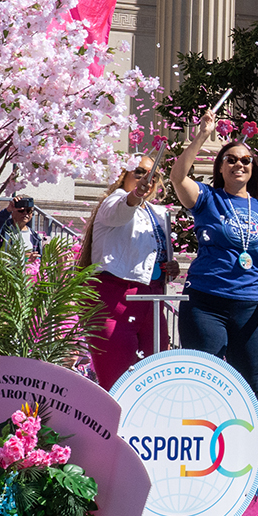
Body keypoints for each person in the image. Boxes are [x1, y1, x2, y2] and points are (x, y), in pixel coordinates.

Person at [171, 112, 258, 414]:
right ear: (221, 167)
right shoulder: (208, 198)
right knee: (204, 379)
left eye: (246, 160)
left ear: (253, 169)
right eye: (232, 160)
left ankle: (256, 458)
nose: (240, 164)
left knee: (253, 383)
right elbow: (178, 177)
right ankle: (198, 453)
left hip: (250, 308)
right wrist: (201, 135)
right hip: (206, 303)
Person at [89, 155, 178, 389]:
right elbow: (122, 211)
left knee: (155, 381)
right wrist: (135, 194)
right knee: (119, 383)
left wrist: (170, 265)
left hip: (151, 301)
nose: (146, 179)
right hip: (115, 300)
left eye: (153, 176)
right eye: (139, 172)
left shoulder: (158, 213)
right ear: (123, 175)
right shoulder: (114, 201)